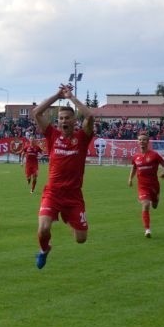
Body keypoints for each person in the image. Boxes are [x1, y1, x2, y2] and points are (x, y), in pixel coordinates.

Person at [32, 83, 94, 269]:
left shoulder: (82, 137)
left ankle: (68, 218)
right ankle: (44, 250)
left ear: (74, 120)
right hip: (53, 192)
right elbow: (36, 113)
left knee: (81, 239)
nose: (64, 121)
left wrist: (70, 97)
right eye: (60, 118)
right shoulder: (52, 135)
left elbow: (90, 116)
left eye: (67, 118)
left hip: (74, 196)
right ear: (57, 121)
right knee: (43, 229)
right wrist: (57, 95)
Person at [128, 132, 164, 238]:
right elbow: (134, 168)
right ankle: (147, 230)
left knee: (154, 205)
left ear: (148, 142)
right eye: (140, 140)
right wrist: (130, 179)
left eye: (144, 140)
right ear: (138, 142)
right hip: (142, 186)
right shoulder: (136, 157)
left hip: (154, 186)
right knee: (146, 205)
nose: (142, 142)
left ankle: (156, 199)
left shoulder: (154, 155)